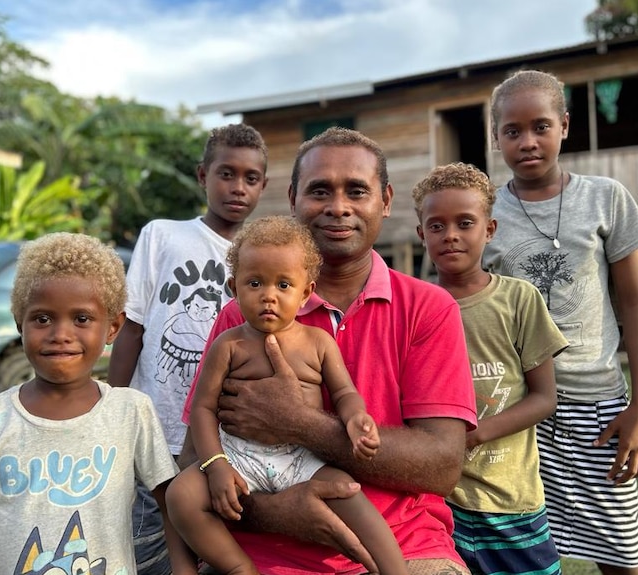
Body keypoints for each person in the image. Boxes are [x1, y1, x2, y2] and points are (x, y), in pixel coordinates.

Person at [180, 127, 478, 575]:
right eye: (320, 190)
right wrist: (274, 512)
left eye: (357, 190)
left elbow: (440, 467)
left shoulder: (428, 309)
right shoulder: (239, 321)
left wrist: (299, 423)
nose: (338, 207)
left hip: (407, 549)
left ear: (386, 200)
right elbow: (194, 454)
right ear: (294, 199)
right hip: (263, 553)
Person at [0, 232, 179, 575]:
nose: (61, 334)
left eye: (82, 319)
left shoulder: (131, 412)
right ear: (19, 323)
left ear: (113, 327)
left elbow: (174, 509)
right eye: (42, 319)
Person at [482, 69, 638, 575]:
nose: (527, 141)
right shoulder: (486, 211)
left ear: (564, 125)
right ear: (496, 139)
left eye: (540, 126)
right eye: (512, 131)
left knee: (622, 555)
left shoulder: (605, 197)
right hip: (518, 412)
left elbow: (636, 305)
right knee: (527, 556)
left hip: (598, 409)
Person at [165, 215, 408, 575]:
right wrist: (216, 465)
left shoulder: (318, 343)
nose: (269, 296)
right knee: (179, 496)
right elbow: (203, 408)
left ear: (306, 292)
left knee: (349, 494)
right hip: (238, 456)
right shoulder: (227, 345)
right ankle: (237, 568)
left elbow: (344, 393)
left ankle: (395, 571)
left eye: (283, 285)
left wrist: (357, 419)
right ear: (234, 287)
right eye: (255, 283)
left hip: (300, 456)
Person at [108, 123, 268, 575]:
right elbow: (133, 328)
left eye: (250, 178)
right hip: (155, 427)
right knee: (147, 548)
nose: (238, 187)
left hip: (222, 441)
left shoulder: (262, 257)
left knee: (216, 546)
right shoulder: (163, 236)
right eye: (226, 174)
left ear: (264, 186)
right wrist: (113, 409)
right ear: (202, 175)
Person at [412, 162, 568, 575]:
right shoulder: (414, 307)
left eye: (465, 223)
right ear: (420, 234)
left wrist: (474, 435)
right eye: (436, 226)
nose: (451, 236)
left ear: (490, 229)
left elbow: (544, 398)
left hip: (509, 498)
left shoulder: (519, 300)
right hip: (440, 501)